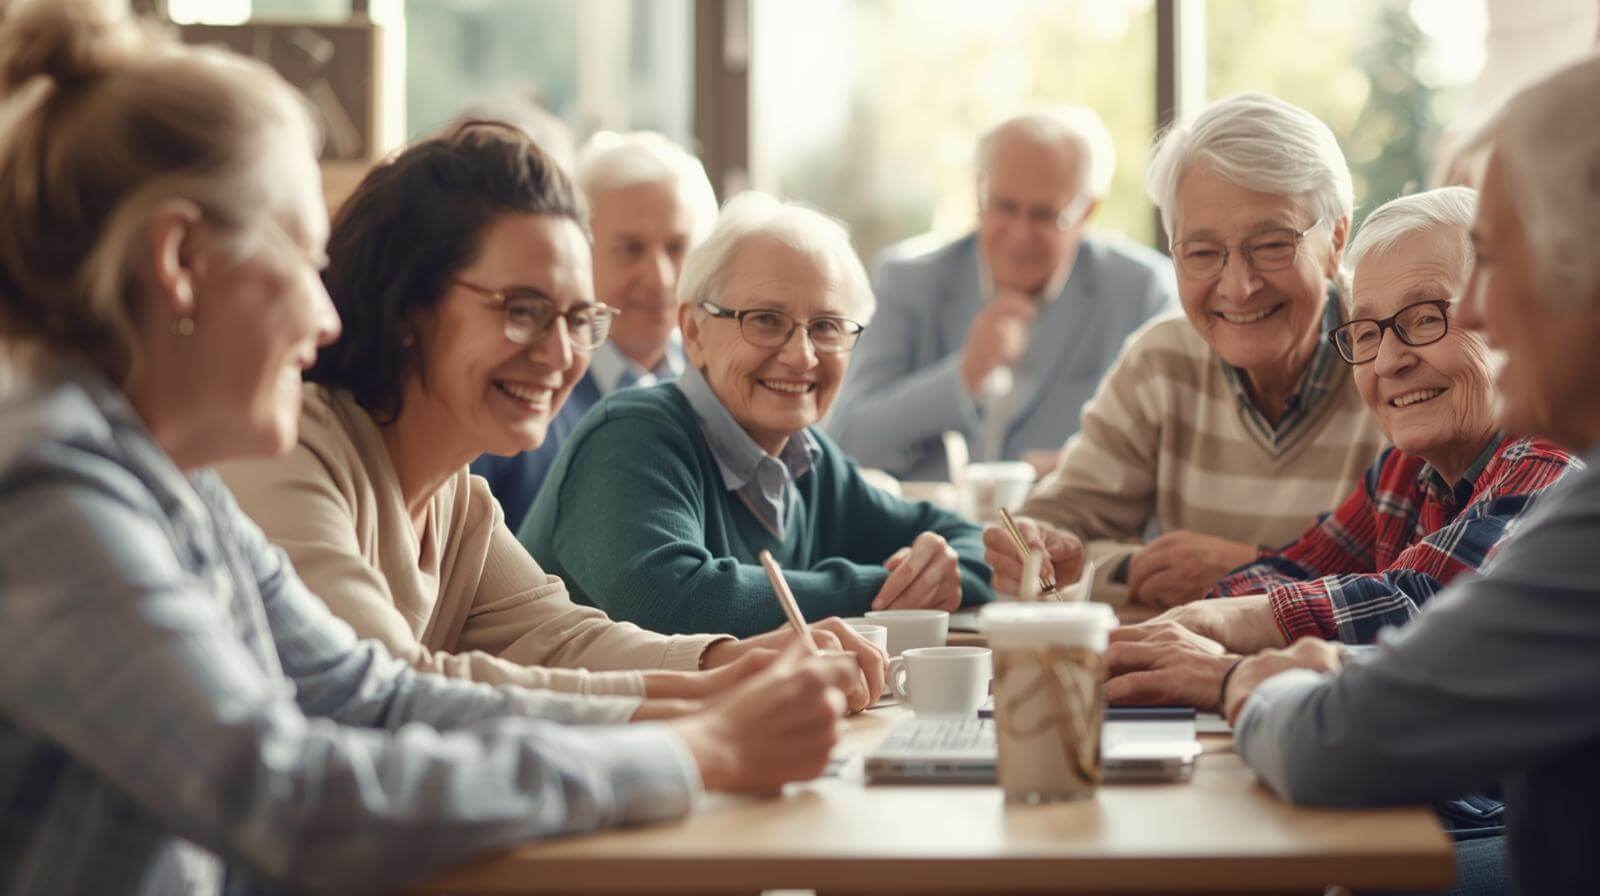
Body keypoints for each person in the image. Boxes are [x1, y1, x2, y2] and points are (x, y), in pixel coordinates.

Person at [0, 3, 856, 892]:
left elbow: (370, 696)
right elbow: (286, 795)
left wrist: (708, 699)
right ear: (178, 258)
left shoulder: (163, 480)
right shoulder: (45, 492)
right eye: (300, 255)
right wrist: (694, 752)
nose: (326, 312)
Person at [219, 122, 885, 710]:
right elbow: (393, 686)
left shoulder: (458, 503)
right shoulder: (291, 449)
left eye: (576, 317)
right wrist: (707, 696)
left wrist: (731, 662)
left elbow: (565, 639)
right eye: (523, 310)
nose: (561, 353)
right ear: (405, 309)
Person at [1215, 51, 1600, 894]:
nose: (1483, 312)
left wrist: (1245, 676)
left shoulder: (1571, 483)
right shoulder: (1409, 467)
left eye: (1497, 265)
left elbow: (1369, 708)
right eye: (1371, 331)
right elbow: (1451, 665)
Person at [1102, 187, 1577, 711]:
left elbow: (1424, 601)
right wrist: (1193, 623)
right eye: (1367, 332)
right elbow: (1300, 570)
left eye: (1424, 318)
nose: (1388, 361)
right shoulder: (1402, 470)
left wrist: (1229, 633)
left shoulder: (1552, 458)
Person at [521, 193, 996, 637]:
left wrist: (941, 572)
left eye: (827, 326)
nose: (802, 356)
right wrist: (885, 591)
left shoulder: (807, 460)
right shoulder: (631, 436)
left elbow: (964, 543)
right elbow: (676, 601)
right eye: (766, 320)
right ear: (693, 332)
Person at [985, 93, 1387, 607]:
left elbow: (1423, 575)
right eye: (1202, 252)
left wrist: (1253, 571)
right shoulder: (1161, 361)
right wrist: (1045, 551)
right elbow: (1059, 526)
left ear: (1335, 239)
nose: (1238, 287)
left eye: (1271, 245)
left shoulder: (1393, 357)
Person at [827, 108, 1177, 481]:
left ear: (1087, 211)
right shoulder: (908, 281)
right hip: (928, 531)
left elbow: (1169, 453)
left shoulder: (1141, 292)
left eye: (1044, 215)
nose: (1019, 234)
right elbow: (848, 442)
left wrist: (1082, 469)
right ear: (979, 192)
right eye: (1004, 207)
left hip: (1071, 529)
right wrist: (964, 374)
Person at [471, 131, 718, 527]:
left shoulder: (720, 386)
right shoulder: (525, 386)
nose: (660, 278)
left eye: (676, 248)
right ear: (574, 250)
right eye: (630, 249)